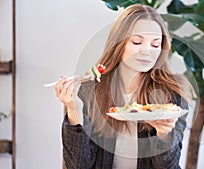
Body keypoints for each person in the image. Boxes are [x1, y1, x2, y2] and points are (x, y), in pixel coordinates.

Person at [54, 4, 194, 169]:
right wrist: (74, 109)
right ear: (118, 43)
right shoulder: (88, 91)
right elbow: (79, 166)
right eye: (137, 42)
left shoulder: (171, 94)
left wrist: (164, 135)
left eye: (155, 45)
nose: (146, 51)